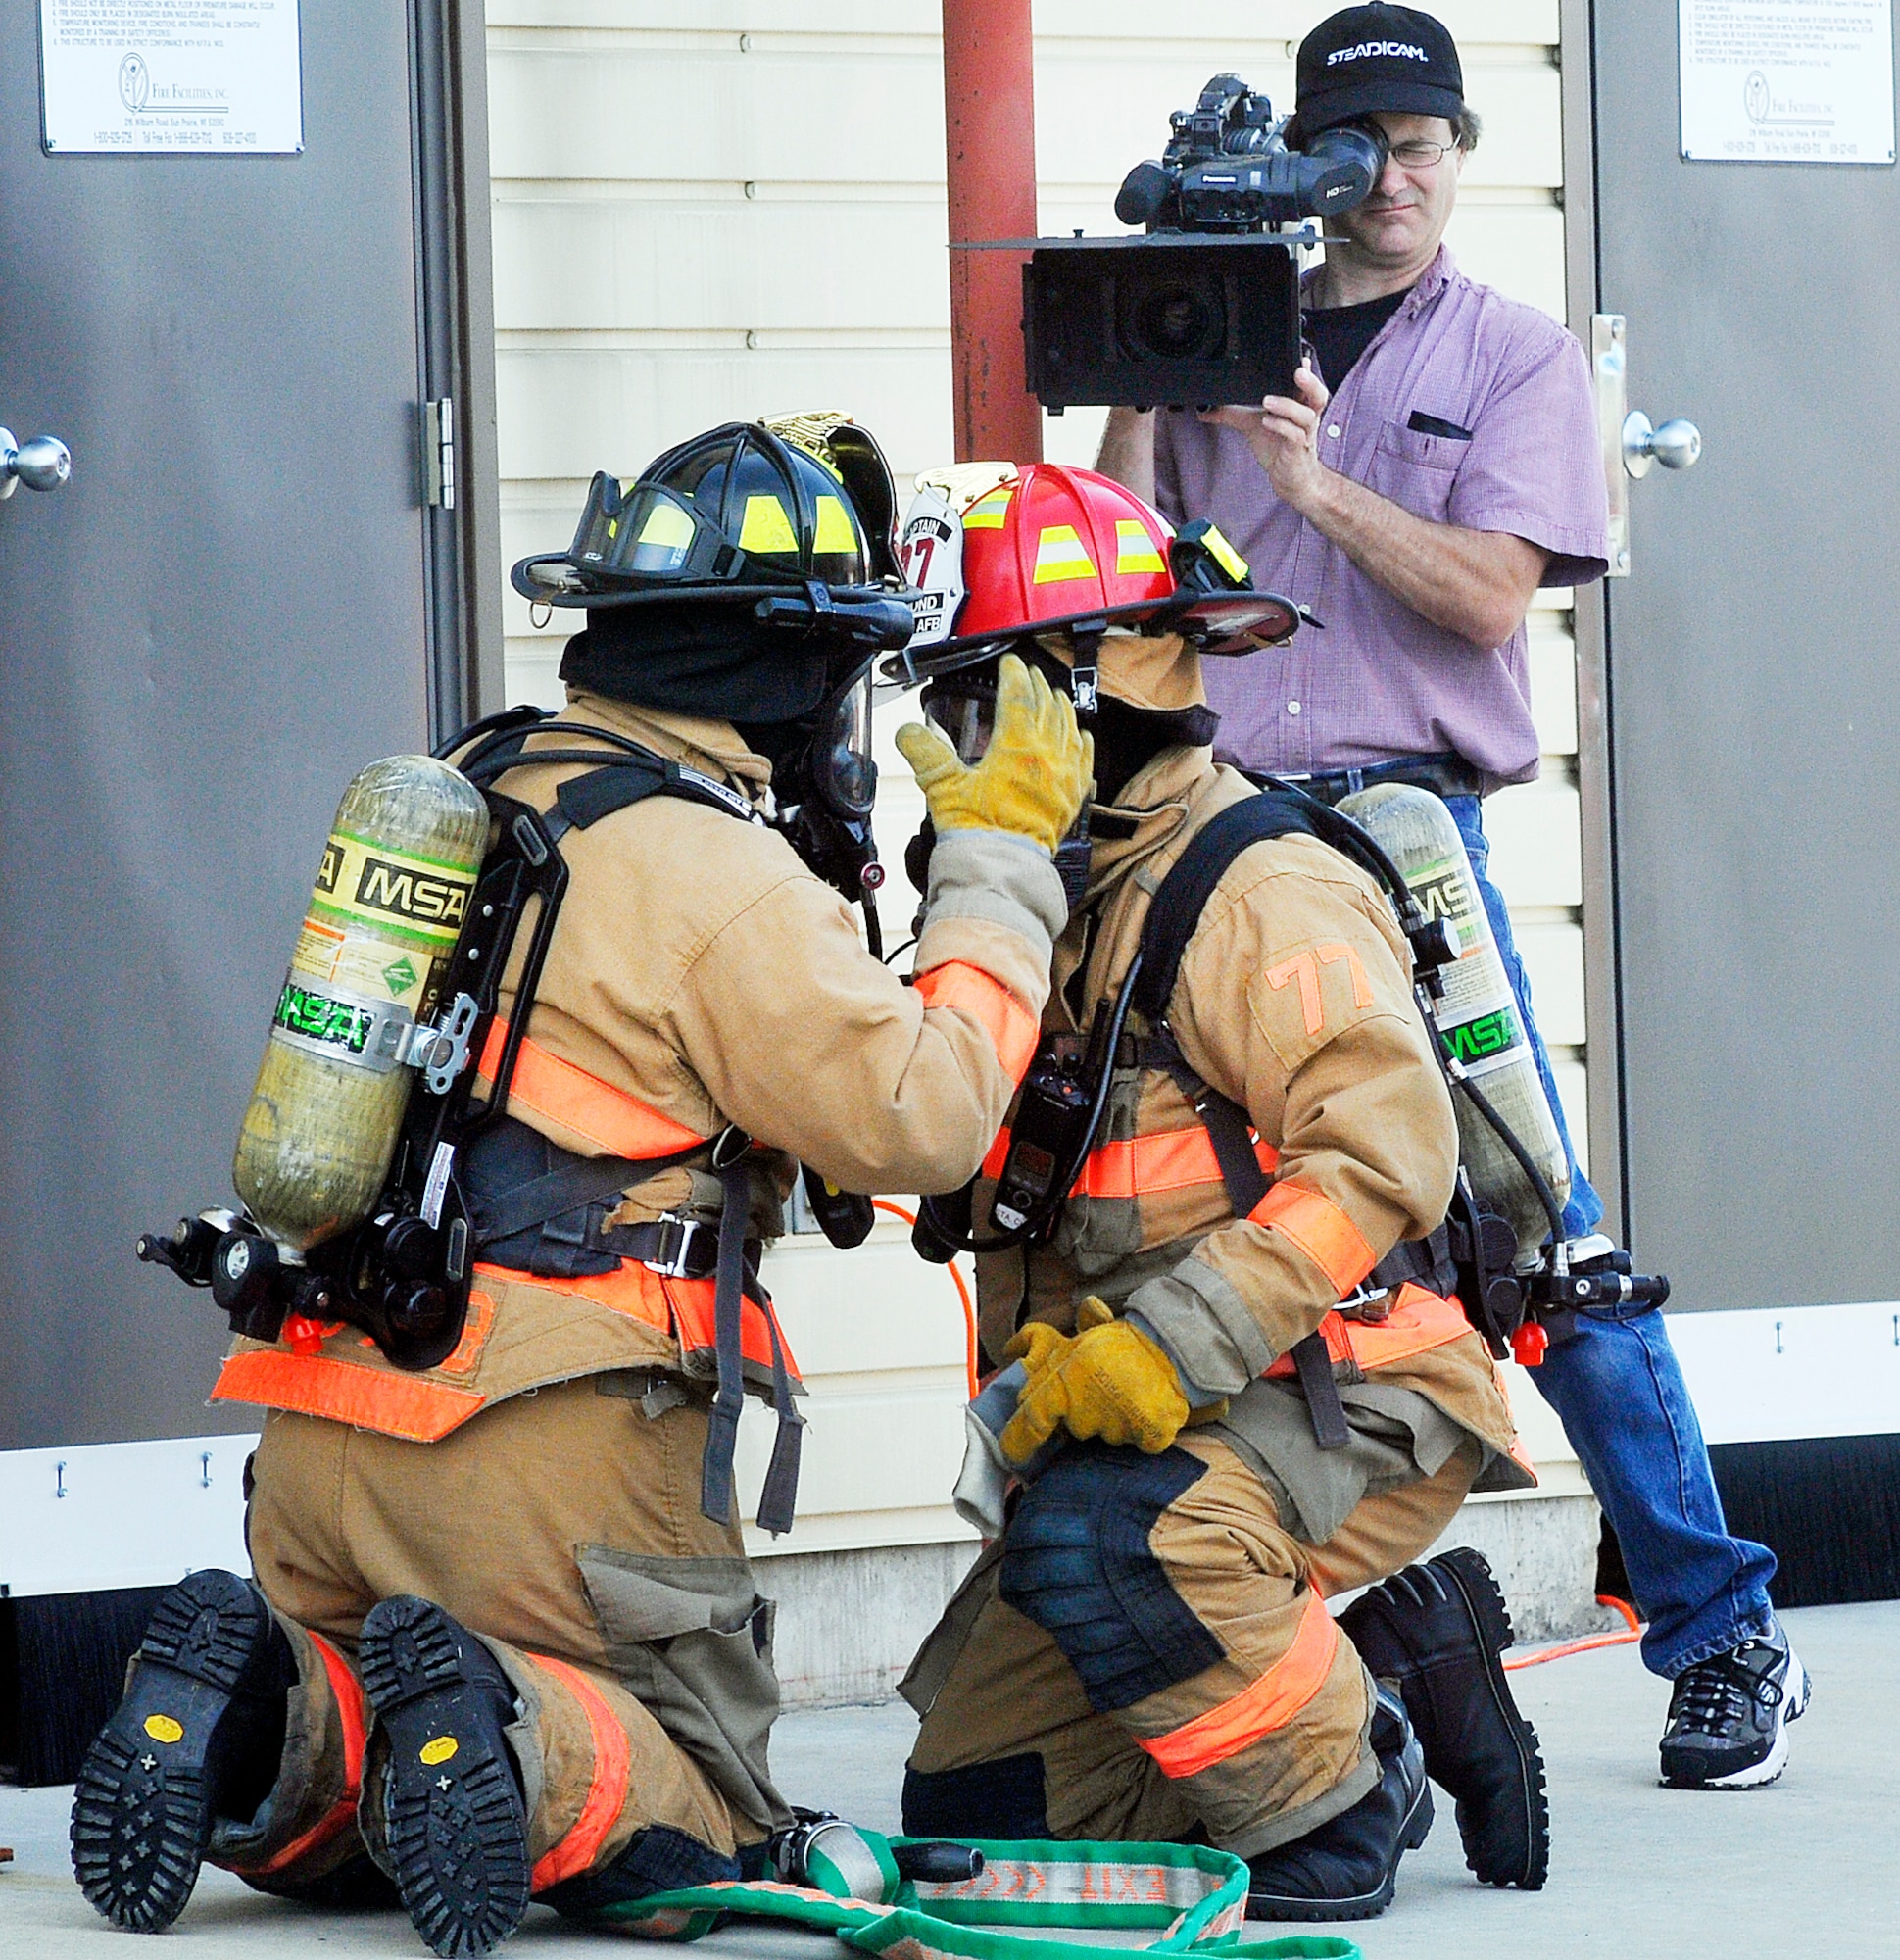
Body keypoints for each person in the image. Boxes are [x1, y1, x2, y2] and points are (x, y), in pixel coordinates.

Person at [70, 416, 1091, 1957]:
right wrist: (1001, 863)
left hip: (319, 1432)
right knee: (703, 1810)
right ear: (792, 667)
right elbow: (923, 1119)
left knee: (385, 1802)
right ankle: (499, 1714)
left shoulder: (473, 784)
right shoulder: (717, 872)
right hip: (544, 1464)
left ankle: (262, 1707)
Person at [1094, 2, 1806, 1795]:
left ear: (1461, 159)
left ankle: (1723, 1637)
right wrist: (1155, 330)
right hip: (1225, 842)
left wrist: (1306, 483)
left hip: (1416, 844)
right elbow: (1105, 551)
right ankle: (1251, 1637)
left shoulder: (1511, 357)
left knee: (1534, 1230)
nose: (1393, 178)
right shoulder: (1215, 336)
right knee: (1206, 1232)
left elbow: (1492, 599)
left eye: (1423, 147)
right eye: (1361, 150)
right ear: (1315, 172)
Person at [891, 460, 1549, 1919]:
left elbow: (1382, 1154)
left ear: (1098, 682)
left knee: (1118, 1549)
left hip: (1344, 1383)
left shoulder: (1256, 889)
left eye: (982, 696)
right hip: (1150, 1425)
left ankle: (1350, 1783)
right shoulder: (1042, 889)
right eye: (945, 706)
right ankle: (1395, 1656)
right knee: (983, 1816)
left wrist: (1167, 1342)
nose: (958, 741)